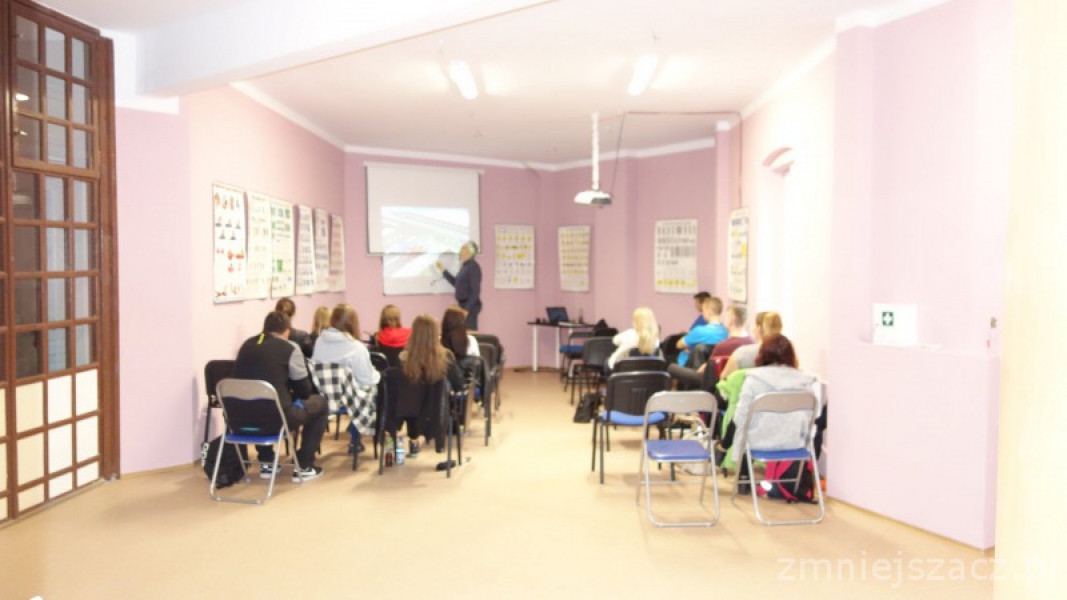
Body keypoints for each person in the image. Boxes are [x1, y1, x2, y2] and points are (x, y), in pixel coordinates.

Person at [232, 311, 327, 481]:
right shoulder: (290, 348)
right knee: (320, 404)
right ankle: (304, 464)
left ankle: (267, 462)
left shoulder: (246, 345)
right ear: (287, 331)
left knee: (259, 403)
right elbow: (304, 391)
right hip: (276, 420)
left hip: (239, 420)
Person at [730, 334, 817, 493]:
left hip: (759, 442)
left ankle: (744, 478)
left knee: (741, 428)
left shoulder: (754, 380)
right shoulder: (805, 382)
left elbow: (740, 418)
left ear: (762, 354)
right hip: (795, 442)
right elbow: (812, 416)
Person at [398, 315, 467, 457]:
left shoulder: (403, 358)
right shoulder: (446, 356)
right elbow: (458, 385)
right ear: (435, 333)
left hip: (410, 412)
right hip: (438, 411)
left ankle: (413, 440)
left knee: (413, 396)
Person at [312, 304, 380, 389]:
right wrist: (376, 374)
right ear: (353, 324)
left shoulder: (319, 341)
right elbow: (367, 380)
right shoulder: (357, 348)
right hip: (350, 395)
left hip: (323, 394)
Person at [721, 311, 783, 379]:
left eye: (755, 326)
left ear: (759, 329)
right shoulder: (787, 354)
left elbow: (724, 378)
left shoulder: (742, 353)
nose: (753, 330)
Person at [436, 241, 482, 331]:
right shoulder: (465, 266)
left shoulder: (473, 267)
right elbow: (456, 283)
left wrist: (467, 309)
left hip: (469, 307)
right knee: (462, 333)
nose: (460, 252)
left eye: (463, 249)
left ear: (469, 252)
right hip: (462, 305)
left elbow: (475, 291)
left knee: (470, 333)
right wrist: (443, 270)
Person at [675, 296, 728, 366]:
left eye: (703, 311)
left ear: (708, 311)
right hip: (715, 367)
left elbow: (678, 345)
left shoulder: (699, 331)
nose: (702, 314)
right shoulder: (726, 332)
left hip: (689, 366)